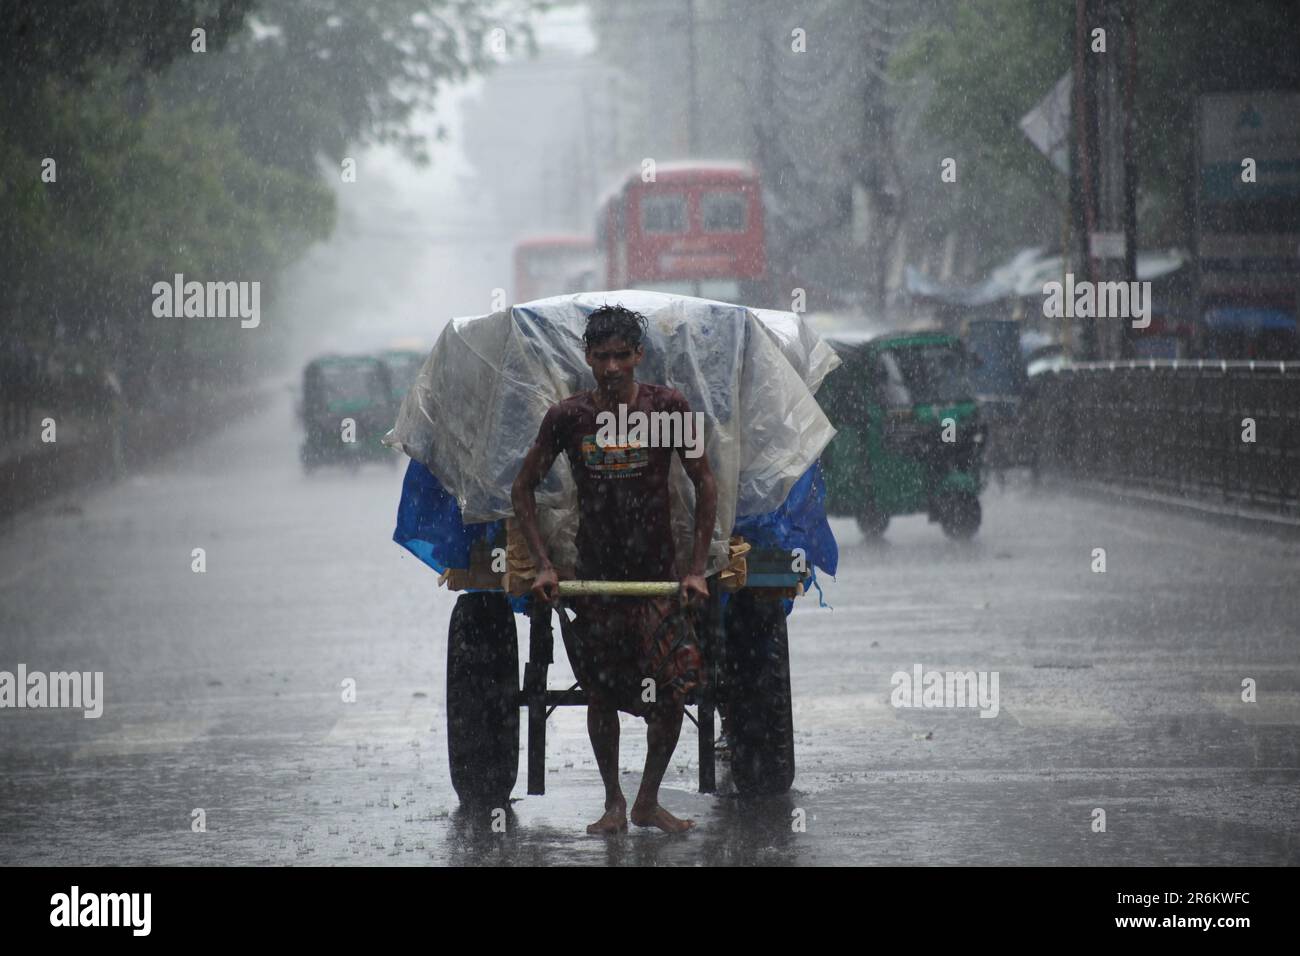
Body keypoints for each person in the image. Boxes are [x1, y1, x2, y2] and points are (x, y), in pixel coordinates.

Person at [511, 304, 717, 835]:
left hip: (657, 579)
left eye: (621, 356)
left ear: (638, 356)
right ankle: (614, 803)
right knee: (600, 694)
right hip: (596, 581)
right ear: (587, 358)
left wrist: (696, 569)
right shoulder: (568, 417)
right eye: (601, 357)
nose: (610, 368)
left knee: (672, 691)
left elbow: (705, 482)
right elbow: (522, 488)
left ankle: (647, 799)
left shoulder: (669, 408)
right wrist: (543, 566)